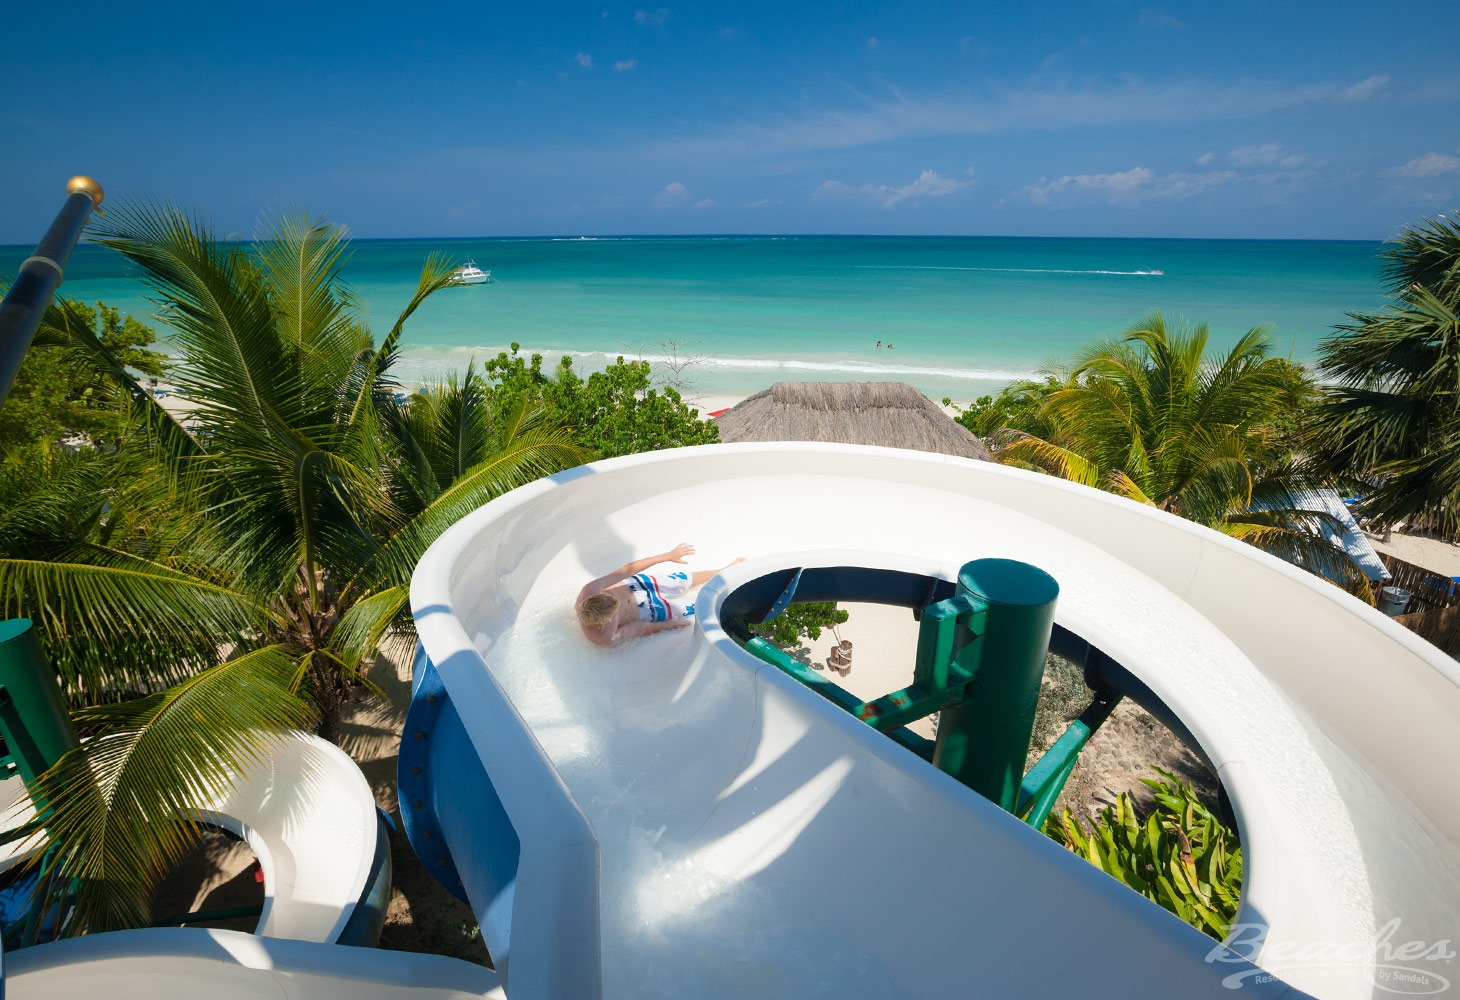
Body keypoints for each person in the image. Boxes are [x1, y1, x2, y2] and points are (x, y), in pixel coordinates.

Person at [576, 543, 743, 646]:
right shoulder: (605, 636)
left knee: (682, 580)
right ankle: (734, 591)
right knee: (701, 603)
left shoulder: (590, 590)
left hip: (637, 586)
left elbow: (627, 570)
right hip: (650, 611)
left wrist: (667, 556)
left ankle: (723, 570)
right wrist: (670, 625)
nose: (617, 603)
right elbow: (639, 629)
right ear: (604, 622)